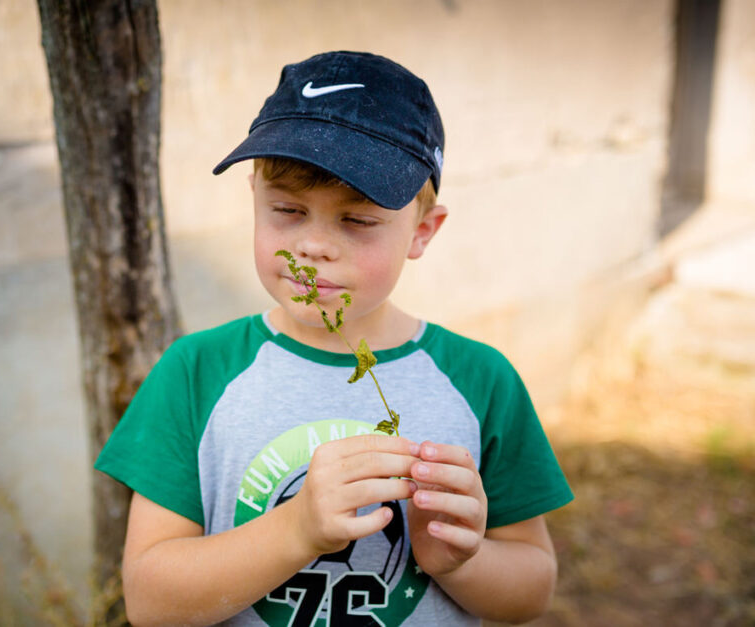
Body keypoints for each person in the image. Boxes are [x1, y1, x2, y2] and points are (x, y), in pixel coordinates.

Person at [95, 51, 573, 626]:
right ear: (254, 198)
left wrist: (459, 561)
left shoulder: (482, 380)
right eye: (288, 210)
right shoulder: (196, 371)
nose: (313, 247)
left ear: (422, 230)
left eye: (358, 220)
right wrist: (295, 530)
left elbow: (531, 590)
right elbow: (151, 603)